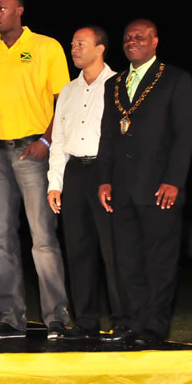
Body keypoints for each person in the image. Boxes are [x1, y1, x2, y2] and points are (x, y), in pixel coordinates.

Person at [0, 0, 70, 340]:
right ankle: (10, 317)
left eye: (3, 7)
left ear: (20, 11)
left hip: (33, 150)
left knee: (42, 237)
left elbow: (63, 100)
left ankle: (56, 317)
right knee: (0, 240)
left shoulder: (46, 47)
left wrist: (46, 140)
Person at [98, 19, 192, 346]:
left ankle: (154, 328)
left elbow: (185, 136)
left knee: (159, 261)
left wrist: (173, 181)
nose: (132, 41)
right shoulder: (114, 82)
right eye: (127, 37)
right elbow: (109, 136)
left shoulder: (175, 79)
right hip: (122, 188)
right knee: (128, 261)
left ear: (155, 41)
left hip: (159, 188)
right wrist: (104, 180)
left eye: (140, 36)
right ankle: (134, 324)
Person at [46, 26, 122, 340]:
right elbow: (59, 140)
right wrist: (55, 183)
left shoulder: (118, 85)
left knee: (113, 249)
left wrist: (118, 178)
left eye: (81, 43)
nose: (74, 48)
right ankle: (86, 322)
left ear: (100, 47)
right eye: (72, 43)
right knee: (78, 250)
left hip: (106, 175)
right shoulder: (67, 91)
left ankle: (124, 321)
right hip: (75, 172)